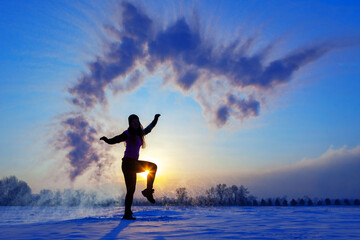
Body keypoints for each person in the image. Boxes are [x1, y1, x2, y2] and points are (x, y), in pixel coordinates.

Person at [100, 114, 160, 220]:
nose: (136, 123)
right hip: (128, 164)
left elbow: (150, 128)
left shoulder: (141, 133)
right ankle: (147, 192)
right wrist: (107, 140)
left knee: (131, 190)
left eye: (137, 121)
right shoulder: (127, 133)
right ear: (130, 123)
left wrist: (155, 119)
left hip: (133, 164)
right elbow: (117, 139)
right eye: (134, 122)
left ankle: (127, 213)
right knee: (152, 167)